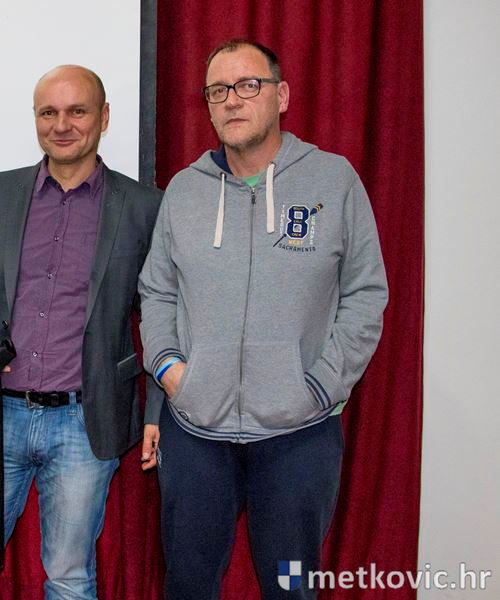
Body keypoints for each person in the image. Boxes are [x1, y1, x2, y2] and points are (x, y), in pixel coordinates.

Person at [138, 39, 388, 599]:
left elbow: (366, 293)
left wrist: (320, 385)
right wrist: (171, 370)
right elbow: (157, 290)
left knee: (291, 588)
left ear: (282, 95)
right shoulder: (185, 190)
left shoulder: (333, 181)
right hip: (197, 432)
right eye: (218, 90)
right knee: (188, 586)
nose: (232, 100)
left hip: (299, 434)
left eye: (248, 85)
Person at [0, 65, 163, 600]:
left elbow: (161, 313)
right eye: (48, 112)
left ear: (104, 117)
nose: (61, 125)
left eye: (77, 111)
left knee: (69, 578)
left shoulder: (143, 207)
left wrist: (156, 410)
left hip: (86, 421)